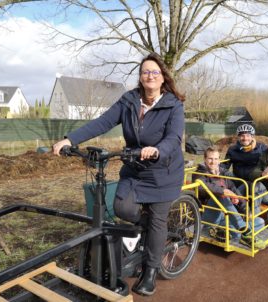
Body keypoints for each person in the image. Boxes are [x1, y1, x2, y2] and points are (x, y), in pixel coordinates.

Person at [52, 53, 185, 296]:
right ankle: (149, 230)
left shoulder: (173, 105)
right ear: (140, 77)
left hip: (163, 172)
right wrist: (70, 139)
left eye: (155, 72)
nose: (150, 76)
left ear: (163, 77)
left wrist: (157, 150)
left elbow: (174, 138)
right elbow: (103, 122)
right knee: (122, 207)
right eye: (146, 72)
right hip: (134, 168)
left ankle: (151, 270)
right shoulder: (129, 101)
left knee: (157, 219)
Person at [192, 146, 267, 250]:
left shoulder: (223, 173)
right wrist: (224, 191)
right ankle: (244, 233)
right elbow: (201, 186)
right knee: (221, 195)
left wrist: (245, 209)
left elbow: (234, 190)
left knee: (260, 222)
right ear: (205, 159)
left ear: (219, 160)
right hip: (209, 216)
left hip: (226, 216)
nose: (213, 162)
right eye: (210, 159)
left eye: (216, 159)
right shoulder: (199, 173)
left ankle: (226, 231)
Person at [221, 124, 268, 219]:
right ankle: (231, 217)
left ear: (252, 136)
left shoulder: (262, 148)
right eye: (242, 135)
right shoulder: (232, 149)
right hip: (241, 182)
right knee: (233, 195)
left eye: (247, 135)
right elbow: (224, 166)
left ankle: (253, 219)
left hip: (258, 183)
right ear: (238, 137)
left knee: (254, 187)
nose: (245, 138)